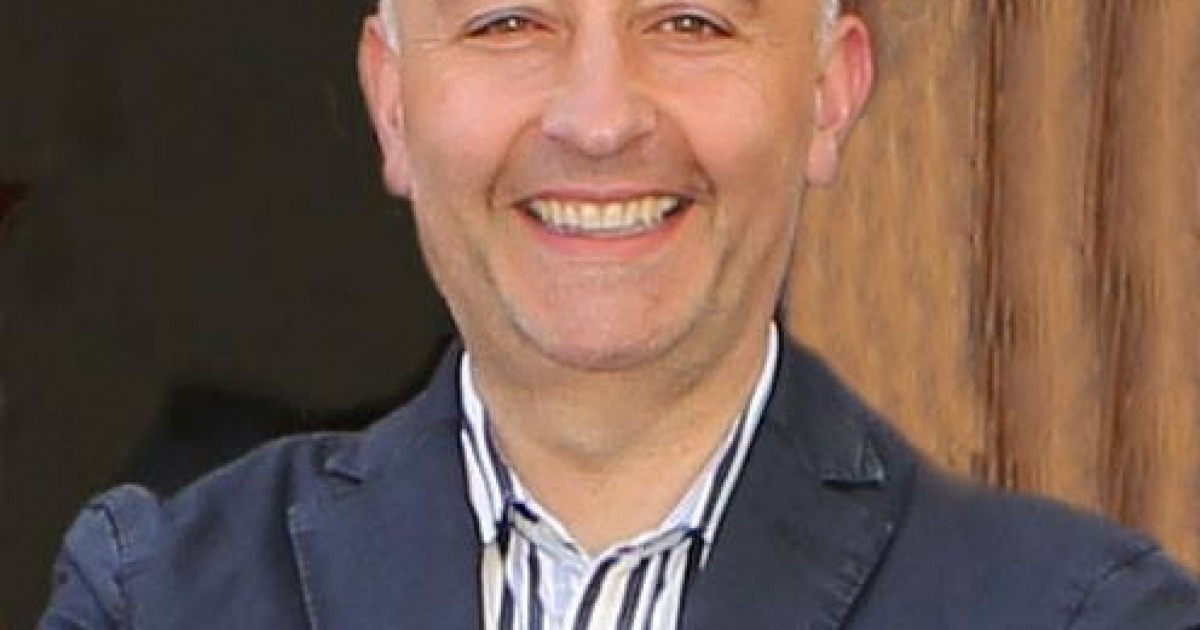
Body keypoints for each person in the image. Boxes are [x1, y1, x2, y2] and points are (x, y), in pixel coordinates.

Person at [38, 0, 1200, 627]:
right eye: (508, 23)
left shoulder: (1083, 618)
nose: (598, 121)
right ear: (392, 102)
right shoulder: (156, 599)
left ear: (828, 93)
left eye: (691, 22)